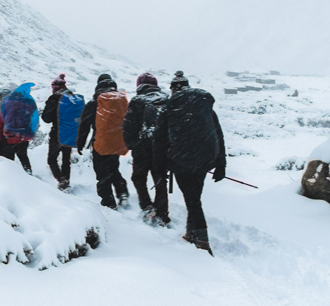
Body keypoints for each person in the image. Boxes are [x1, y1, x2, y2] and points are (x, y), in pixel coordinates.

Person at [153, 71, 226, 255]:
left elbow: (159, 141)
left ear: (173, 90)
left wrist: (158, 167)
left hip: (181, 159)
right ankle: (191, 233)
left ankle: (202, 241)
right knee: (194, 197)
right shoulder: (205, 107)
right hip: (204, 159)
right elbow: (218, 135)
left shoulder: (169, 107)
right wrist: (220, 164)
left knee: (192, 200)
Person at [76, 73, 130, 209]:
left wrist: (80, 144)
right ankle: (122, 192)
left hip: (100, 142)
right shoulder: (120, 103)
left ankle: (108, 202)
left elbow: (84, 125)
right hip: (116, 143)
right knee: (114, 168)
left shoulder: (94, 103)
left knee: (101, 173)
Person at [123, 73, 169, 222]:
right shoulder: (167, 99)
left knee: (138, 178)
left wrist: (132, 145)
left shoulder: (137, 100)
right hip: (161, 149)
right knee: (160, 181)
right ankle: (162, 213)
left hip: (142, 149)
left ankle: (147, 207)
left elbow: (129, 126)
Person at [42, 73, 73, 190]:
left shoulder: (54, 98)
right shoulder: (72, 97)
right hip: (70, 133)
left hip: (57, 133)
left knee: (51, 159)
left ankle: (61, 180)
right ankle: (66, 180)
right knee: (66, 159)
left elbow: (46, 118)